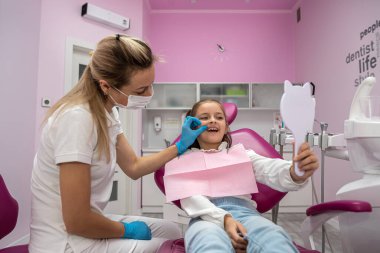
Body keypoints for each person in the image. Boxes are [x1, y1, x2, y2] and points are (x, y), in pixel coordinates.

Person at [29, 34, 207, 253]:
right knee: (171, 248)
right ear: (106, 86)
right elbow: (76, 220)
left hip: (85, 225)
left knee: (172, 232)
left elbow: (133, 167)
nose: (149, 94)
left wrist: (179, 146)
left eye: (151, 85)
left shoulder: (108, 113)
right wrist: (127, 230)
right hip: (64, 240)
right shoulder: (77, 119)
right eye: (141, 90)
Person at [173, 99, 319, 253]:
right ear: (193, 125)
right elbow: (191, 199)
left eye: (219, 117)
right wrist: (225, 220)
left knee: (275, 237)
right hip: (204, 218)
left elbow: (269, 168)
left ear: (226, 127)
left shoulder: (242, 155)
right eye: (204, 117)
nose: (212, 120)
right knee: (209, 243)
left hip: (246, 215)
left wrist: (295, 171)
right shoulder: (183, 160)